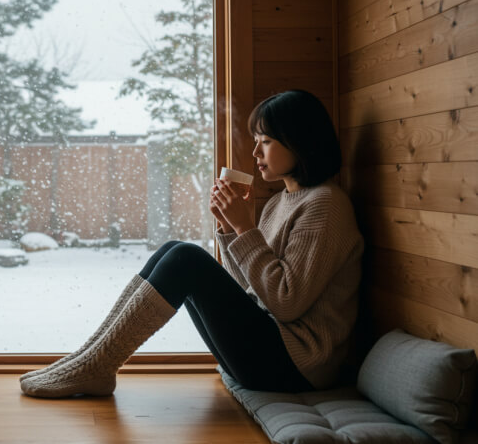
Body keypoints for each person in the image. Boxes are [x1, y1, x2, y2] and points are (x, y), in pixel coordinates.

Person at [19, 89, 365, 398]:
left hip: (299, 367)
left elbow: (286, 302)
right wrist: (230, 228)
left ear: (300, 141)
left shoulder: (325, 204)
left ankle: (95, 366)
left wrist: (245, 227)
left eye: (267, 141)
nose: (257, 150)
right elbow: (251, 288)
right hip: (272, 352)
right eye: (256, 139)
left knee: (186, 257)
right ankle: (90, 357)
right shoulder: (279, 202)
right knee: (173, 249)